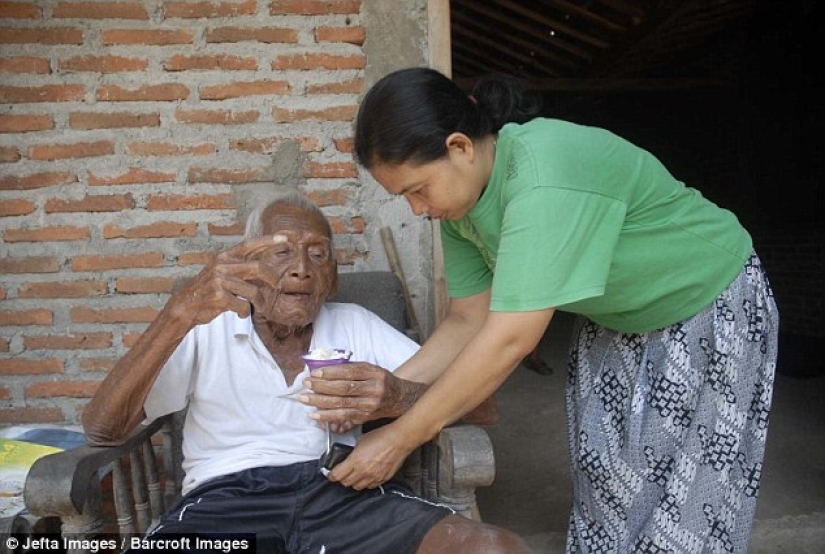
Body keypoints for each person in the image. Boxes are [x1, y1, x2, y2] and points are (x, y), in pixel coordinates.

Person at [302, 67, 779, 554]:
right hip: (618, 321)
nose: (416, 209)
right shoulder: (461, 210)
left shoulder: (541, 177)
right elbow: (467, 321)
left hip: (706, 301)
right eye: (403, 197)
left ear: (460, 147)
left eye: (417, 189)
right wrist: (380, 399)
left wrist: (402, 436)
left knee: (687, 499)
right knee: (609, 484)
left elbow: (510, 338)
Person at [81, 191, 531, 554]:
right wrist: (176, 313)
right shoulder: (204, 326)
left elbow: (483, 407)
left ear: (332, 277)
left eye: (318, 254)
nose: (301, 268)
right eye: (281, 252)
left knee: (493, 548)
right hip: (223, 504)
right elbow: (103, 428)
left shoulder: (356, 323)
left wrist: (399, 397)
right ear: (246, 265)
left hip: (344, 493)